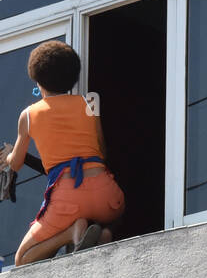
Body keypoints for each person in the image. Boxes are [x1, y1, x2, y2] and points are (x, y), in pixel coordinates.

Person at [6, 41, 125, 266]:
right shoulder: (90, 102)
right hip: (105, 194)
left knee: (22, 259)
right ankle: (104, 234)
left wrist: (9, 155)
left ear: (37, 80)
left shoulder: (29, 115)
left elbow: (16, 165)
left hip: (67, 200)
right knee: (117, 213)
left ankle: (70, 233)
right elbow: (101, 150)